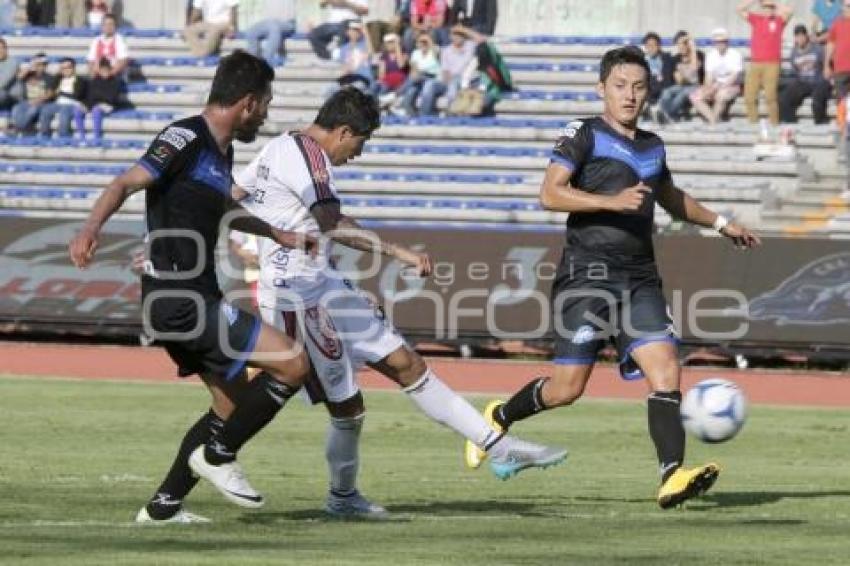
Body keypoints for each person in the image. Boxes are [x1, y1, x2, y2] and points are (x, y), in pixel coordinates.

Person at [234, 87, 567, 516]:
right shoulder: (309, 158)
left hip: (325, 286)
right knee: (346, 408)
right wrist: (397, 252)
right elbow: (330, 222)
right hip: (297, 298)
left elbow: (235, 195)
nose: (359, 153)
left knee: (407, 363)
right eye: (361, 141)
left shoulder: (280, 147)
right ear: (343, 131)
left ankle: (497, 446)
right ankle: (314, 487)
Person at [464, 46, 761, 509]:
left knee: (665, 368)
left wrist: (722, 224)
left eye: (639, 87)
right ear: (601, 88)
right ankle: (498, 415)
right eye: (620, 86)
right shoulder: (584, 134)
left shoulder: (652, 145)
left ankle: (670, 476)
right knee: (567, 389)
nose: (630, 95)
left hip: (640, 277)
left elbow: (670, 196)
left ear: (649, 92)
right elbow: (550, 193)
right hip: (587, 276)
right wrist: (609, 201)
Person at [69, 50, 317, 524]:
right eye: (265, 103)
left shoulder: (222, 149)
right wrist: (89, 229)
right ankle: (220, 455)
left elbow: (224, 207)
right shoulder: (185, 137)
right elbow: (125, 183)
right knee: (292, 362)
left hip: (193, 295)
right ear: (247, 102)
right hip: (178, 299)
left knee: (230, 403)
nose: (265, 113)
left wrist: (278, 233)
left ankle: (163, 507)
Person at [738, 0, 793, 126]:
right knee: (749, 97)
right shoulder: (756, 19)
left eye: (770, 8)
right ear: (761, 8)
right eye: (765, 7)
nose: (767, 10)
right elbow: (739, 9)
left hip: (772, 63)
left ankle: (774, 124)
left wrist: (775, 3)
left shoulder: (779, 21)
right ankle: (753, 123)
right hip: (756, 63)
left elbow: (790, 12)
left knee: (770, 97)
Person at [416, 24, 474, 115]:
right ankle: (425, 114)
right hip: (448, 79)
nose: (457, 37)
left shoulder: (470, 46)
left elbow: (483, 40)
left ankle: (450, 115)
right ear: (450, 36)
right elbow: (445, 70)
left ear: (464, 36)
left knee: (454, 84)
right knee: (429, 84)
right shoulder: (446, 51)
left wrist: (465, 29)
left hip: (463, 80)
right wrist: (447, 78)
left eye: (460, 34)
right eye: (454, 34)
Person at [690, 28, 744, 125]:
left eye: (723, 42)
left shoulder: (735, 55)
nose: (720, 44)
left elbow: (735, 76)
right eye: (717, 42)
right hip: (716, 84)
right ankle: (713, 121)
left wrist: (719, 87)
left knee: (721, 95)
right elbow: (709, 76)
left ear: (727, 42)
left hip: (733, 85)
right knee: (695, 96)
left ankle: (712, 123)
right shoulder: (711, 55)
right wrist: (708, 88)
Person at [780, 25, 831, 124]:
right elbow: (795, 69)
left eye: (802, 36)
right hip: (803, 82)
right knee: (785, 98)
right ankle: (790, 123)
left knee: (817, 100)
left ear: (806, 36)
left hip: (818, 80)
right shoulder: (794, 53)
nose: (800, 39)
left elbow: (827, 64)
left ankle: (821, 123)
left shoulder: (817, 49)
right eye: (797, 36)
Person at [658, 30, 705, 123]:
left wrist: (692, 47)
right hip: (682, 85)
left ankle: (667, 114)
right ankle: (671, 115)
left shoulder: (699, 55)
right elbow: (679, 80)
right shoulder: (676, 58)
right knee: (666, 92)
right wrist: (683, 78)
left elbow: (694, 68)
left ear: (689, 44)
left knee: (682, 94)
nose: (681, 46)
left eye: (684, 43)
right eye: (679, 44)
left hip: (696, 86)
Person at [73, 57, 123, 139]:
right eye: (102, 70)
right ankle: (81, 135)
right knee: (77, 110)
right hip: (93, 103)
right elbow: (89, 95)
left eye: (107, 70)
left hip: (108, 104)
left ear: (110, 69)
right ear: (99, 70)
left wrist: (98, 97)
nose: (105, 72)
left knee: (96, 110)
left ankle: (97, 135)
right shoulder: (94, 80)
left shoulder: (115, 81)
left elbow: (112, 97)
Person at [9, 53, 54, 136]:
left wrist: (37, 100)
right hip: (26, 102)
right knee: (16, 109)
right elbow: (18, 77)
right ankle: (26, 130)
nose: (40, 67)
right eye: (38, 64)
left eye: (43, 65)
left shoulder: (49, 77)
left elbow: (49, 94)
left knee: (32, 111)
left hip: (41, 103)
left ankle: (17, 128)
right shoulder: (28, 75)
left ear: (46, 66)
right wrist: (30, 67)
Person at [38, 57, 85, 137]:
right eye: (63, 68)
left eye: (68, 67)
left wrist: (60, 93)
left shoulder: (80, 80)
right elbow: (51, 91)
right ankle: (45, 135)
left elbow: (77, 95)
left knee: (64, 112)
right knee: (45, 109)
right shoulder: (58, 79)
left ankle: (63, 137)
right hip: (58, 103)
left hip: (72, 104)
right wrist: (57, 76)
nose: (66, 70)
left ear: (73, 68)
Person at [396, 32, 440, 116]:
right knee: (411, 91)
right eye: (420, 42)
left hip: (432, 78)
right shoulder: (415, 53)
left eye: (425, 42)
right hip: (418, 79)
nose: (423, 44)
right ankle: (411, 115)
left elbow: (435, 52)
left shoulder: (434, 50)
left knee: (427, 85)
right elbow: (413, 70)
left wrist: (427, 39)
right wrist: (416, 75)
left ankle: (395, 94)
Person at [241, 0, 296, 66]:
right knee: (250, 32)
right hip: (268, 22)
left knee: (273, 27)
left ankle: (267, 60)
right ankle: (254, 59)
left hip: (287, 23)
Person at [326, 21, 373, 96]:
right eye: (353, 30)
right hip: (349, 78)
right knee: (329, 90)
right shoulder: (343, 49)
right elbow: (344, 68)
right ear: (348, 32)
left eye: (357, 31)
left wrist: (366, 32)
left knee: (353, 88)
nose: (355, 33)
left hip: (363, 78)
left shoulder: (365, 44)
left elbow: (371, 51)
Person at [642, 31, 675, 121]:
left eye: (654, 45)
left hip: (663, 91)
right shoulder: (643, 61)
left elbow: (668, 80)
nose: (651, 48)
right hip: (649, 92)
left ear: (659, 46)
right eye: (648, 46)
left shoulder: (667, 59)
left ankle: (656, 111)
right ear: (645, 47)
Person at [87, 13, 129, 79]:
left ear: (115, 26)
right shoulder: (96, 40)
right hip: (99, 73)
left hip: (114, 75)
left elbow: (123, 61)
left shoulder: (119, 40)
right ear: (102, 26)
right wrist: (99, 73)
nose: (108, 27)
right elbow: (90, 60)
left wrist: (110, 73)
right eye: (105, 24)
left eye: (111, 24)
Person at [825, 0, 850, 101]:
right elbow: (831, 44)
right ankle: (841, 117)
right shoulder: (837, 23)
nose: (848, 9)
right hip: (840, 69)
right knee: (841, 102)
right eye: (846, 6)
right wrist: (826, 65)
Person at [373, 32, 407, 100]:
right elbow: (381, 74)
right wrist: (381, 79)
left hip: (400, 80)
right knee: (374, 86)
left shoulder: (404, 55)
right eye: (387, 43)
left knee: (384, 88)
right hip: (387, 80)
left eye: (391, 42)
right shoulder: (384, 56)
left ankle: (379, 102)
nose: (388, 45)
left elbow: (401, 65)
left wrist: (397, 47)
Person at [0, 38, 19, 111]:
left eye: (1, 48)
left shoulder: (13, 62)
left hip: (12, 96)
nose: (0, 51)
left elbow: (3, 83)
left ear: (6, 49)